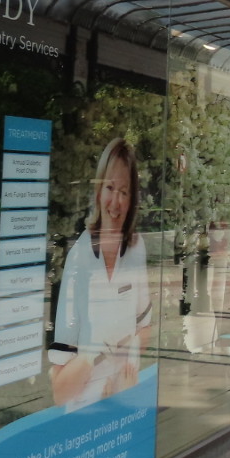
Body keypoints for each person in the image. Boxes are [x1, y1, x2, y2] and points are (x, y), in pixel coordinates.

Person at [49, 138, 152, 409]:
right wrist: (95, 355)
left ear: (133, 200)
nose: (115, 203)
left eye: (124, 192)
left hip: (125, 401)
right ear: (98, 191)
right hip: (87, 418)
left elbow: (144, 328)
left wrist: (124, 380)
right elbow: (60, 390)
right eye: (109, 188)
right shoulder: (79, 258)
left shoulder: (136, 247)